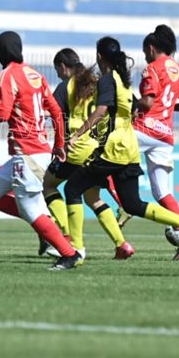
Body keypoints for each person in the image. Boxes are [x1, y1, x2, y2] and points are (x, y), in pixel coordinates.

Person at [0, 31, 81, 271]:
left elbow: (3, 113)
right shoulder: (35, 75)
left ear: (1, 51)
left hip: (28, 154)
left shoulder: (6, 75)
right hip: (34, 152)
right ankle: (45, 226)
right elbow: (56, 111)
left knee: (29, 209)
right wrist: (59, 144)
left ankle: (68, 254)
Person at [63, 37, 179, 265]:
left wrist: (77, 135)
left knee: (72, 188)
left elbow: (101, 110)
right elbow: (135, 108)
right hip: (130, 149)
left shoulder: (108, 80)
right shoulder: (123, 80)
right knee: (132, 204)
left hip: (114, 148)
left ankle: (75, 251)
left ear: (99, 56)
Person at [41, 49, 133, 260]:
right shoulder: (98, 81)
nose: (58, 75)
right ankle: (122, 244)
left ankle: (67, 237)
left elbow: (51, 113)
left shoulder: (66, 86)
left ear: (63, 66)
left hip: (75, 148)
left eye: (58, 70)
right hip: (97, 149)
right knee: (93, 198)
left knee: (48, 184)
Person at [132, 24, 179, 260]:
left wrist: (133, 105)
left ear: (151, 48)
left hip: (144, 128)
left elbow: (147, 103)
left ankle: (121, 206)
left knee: (106, 153)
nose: (145, 57)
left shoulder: (152, 68)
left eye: (145, 52)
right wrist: (167, 108)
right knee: (162, 193)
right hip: (165, 136)